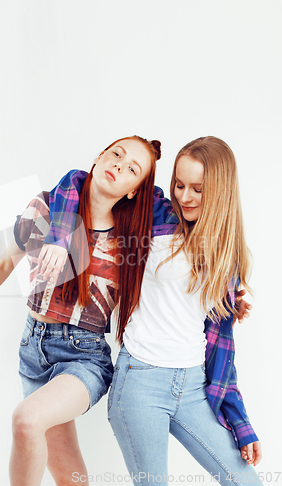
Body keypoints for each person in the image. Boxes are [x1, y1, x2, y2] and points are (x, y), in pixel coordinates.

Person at [0, 135, 160, 486]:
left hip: (84, 357)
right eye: (116, 154)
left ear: (134, 190)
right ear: (99, 156)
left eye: (132, 168)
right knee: (70, 479)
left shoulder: (130, 241)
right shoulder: (44, 209)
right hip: (33, 350)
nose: (119, 165)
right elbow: (3, 266)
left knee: (26, 420)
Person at [46, 136, 262, 485]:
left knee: (247, 482)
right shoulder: (156, 216)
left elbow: (222, 349)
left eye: (198, 189)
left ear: (220, 192)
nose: (184, 197)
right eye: (179, 185)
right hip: (141, 383)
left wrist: (241, 423)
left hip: (192, 388)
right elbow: (78, 181)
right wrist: (58, 237)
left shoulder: (229, 256)